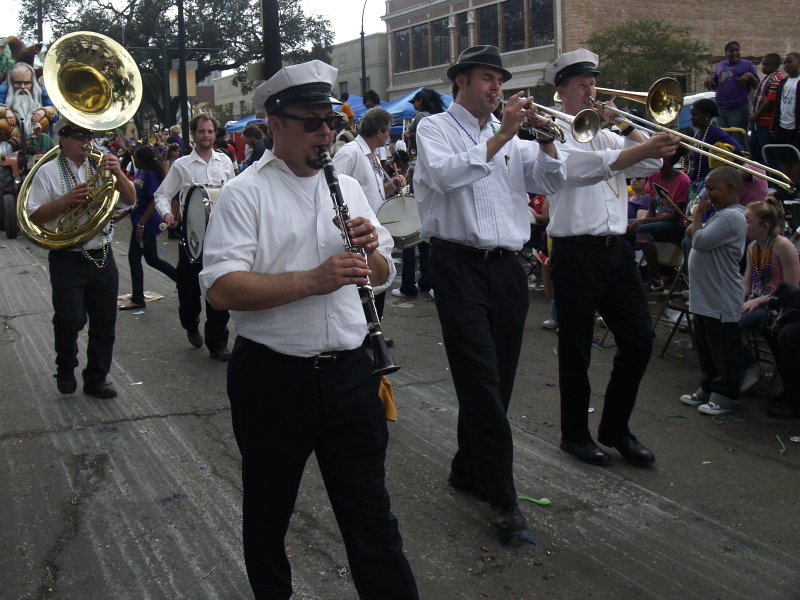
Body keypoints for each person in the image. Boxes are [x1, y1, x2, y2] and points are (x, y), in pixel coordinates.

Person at [199, 59, 419, 600]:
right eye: (312, 122)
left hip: (351, 372)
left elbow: (385, 271)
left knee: (372, 518)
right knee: (268, 515)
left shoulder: (347, 185)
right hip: (273, 380)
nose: (326, 132)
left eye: (332, 122)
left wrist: (373, 253)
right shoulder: (244, 192)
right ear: (276, 125)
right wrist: (311, 280)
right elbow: (221, 289)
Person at [415, 45, 567, 535]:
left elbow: (554, 181)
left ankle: (467, 468)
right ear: (460, 80)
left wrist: (545, 139)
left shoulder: (514, 139)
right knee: (480, 381)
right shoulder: (433, 129)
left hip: (507, 270)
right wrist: (503, 134)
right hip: (458, 265)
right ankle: (502, 496)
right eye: (487, 78)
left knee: (496, 380)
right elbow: (445, 176)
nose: (497, 87)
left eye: (500, 80)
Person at [544, 48, 679, 466]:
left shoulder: (609, 133)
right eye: (582, 86)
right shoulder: (553, 133)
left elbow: (655, 160)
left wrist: (625, 124)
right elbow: (583, 169)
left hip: (616, 250)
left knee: (639, 340)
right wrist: (633, 148)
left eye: (593, 84)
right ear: (562, 91)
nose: (591, 91)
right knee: (576, 349)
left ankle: (616, 428)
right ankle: (574, 434)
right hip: (575, 251)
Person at [26, 119, 136, 398]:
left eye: (88, 135)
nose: (85, 141)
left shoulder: (100, 166)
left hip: (102, 254)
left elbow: (130, 200)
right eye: (78, 135)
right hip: (67, 257)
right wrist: (65, 201)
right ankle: (65, 367)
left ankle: (97, 378)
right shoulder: (47, 172)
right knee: (69, 319)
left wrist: (119, 173)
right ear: (62, 139)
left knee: (104, 322)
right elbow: (35, 216)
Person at [154, 114, 234, 359]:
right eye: (202, 132)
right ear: (194, 134)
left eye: (210, 131)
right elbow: (162, 195)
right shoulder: (182, 166)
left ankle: (217, 343)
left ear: (215, 133)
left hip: (220, 238)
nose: (206, 136)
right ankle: (190, 323)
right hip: (191, 239)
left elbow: (237, 194)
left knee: (219, 289)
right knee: (189, 293)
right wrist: (167, 215)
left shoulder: (225, 162)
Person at [333, 106, 405, 345]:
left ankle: (373, 333)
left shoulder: (371, 155)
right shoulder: (351, 152)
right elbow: (332, 187)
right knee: (364, 286)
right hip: (357, 232)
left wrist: (392, 186)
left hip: (375, 231)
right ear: (379, 131)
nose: (389, 137)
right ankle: (364, 335)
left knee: (378, 285)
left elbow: (374, 194)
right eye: (387, 133)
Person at [680, 166, 747, 415]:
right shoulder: (719, 216)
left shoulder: (732, 217)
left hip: (720, 295)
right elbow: (691, 232)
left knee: (723, 348)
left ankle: (726, 395)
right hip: (705, 295)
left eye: (711, 188)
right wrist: (698, 220)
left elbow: (699, 240)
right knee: (706, 345)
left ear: (730, 188)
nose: (707, 195)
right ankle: (707, 387)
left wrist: (697, 215)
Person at [737, 197, 800, 393]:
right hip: (755, 300)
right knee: (719, 316)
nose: (742, 224)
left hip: (776, 306)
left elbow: (791, 288)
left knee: (730, 323)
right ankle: (740, 368)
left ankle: (750, 368)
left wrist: (759, 300)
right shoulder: (753, 247)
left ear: (765, 226)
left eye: (747, 221)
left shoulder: (782, 245)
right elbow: (747, 285)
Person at [393, 88, 446, 300]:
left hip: (422, 179)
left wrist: (409, 135)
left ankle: (410, 285)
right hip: (436, 189)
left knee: (410, 237)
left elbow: (416, 161)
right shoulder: (438, 118)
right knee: (426, 242)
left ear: (421, 101)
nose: (413, 104)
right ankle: (427, 281)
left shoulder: (421, 118)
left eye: (415, 100)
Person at [115, 145, 178, 311]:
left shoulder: (151, 175)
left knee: (134, 259)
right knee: (152, 260)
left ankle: (137, 298)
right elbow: (136, 199)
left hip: (146, 223)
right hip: (139, 220)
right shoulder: (141, 173)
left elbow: (153, 201)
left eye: (136, 157)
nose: (134, 160)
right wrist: (121, 215)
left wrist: (141, 224)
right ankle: (182, 281)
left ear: (142, 158)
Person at [628, 147, 690, 291]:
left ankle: (656, 279)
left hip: (676, 226)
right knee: (626, 227)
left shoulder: (683, 180)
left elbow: (676, 215)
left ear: (666, 159)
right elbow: (652, 209)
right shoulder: (655, 176)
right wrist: (637, 222)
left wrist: (642, 222)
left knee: (643, 230)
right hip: (658, 222)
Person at [704, 40, 759, 146]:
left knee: (738, 140)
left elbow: (758, 86)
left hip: (738, 108)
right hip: (721, 108)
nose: (734, 53)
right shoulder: (721, 65)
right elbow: (714, 84)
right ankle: (728, 163)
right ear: (726, 53)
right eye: (731, 51)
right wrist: (708, 78)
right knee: (724, 141)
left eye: (737, 50)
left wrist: (749, 75)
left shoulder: (747, 64)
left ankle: (742, 162)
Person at [0, 61, 56, 140]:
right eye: (18, 83)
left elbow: (55, 113)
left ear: (32, 83)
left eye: (26, 83)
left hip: (35, 130)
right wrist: (5, 111)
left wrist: (44, 111)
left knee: (44, 121)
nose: (22, 87)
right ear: (11, 83)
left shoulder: (40, 91)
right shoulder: (3, 90)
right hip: (12, 132)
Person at [748, 53, 785, 170]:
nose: (763, 67)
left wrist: (755, 116)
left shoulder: (776, 78)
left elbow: (770, 101)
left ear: (776, 65)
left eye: (767, 65)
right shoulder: (766, 78)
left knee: (770, 154)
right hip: (758, 124)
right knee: (755, 152)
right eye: (763, 64)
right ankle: (761, 180)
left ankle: (776, 183)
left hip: (767, 123)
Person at [771, 52, 800, 199]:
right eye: (785, 63)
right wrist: (775, 124)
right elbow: (778, 105)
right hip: (783, 125)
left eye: (790, 62)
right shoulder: (784, 82)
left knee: (795, 157)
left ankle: (795, 186)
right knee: (783, 157)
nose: (786, 65)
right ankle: (785, 185)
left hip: (796, 127)